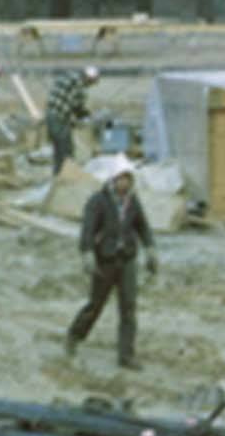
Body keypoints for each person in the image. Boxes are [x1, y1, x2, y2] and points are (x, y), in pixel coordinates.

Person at [65, 158, 160, 369]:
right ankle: (74, 336)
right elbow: (88, 229)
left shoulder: (132, 202)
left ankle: (126, 356)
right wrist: (87, 253)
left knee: (128, 308)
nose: (124, 184)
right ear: (112, 180)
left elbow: (142, 227)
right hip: (105, 260)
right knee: (95, 305)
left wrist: (150, 249)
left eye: (128, 179)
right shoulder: (98, 201)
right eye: (121, 179)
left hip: (126, 259)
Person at [45, 64, 99, 175]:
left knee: (58, 150)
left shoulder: (68, 76)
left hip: (50, 115)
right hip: (59, 119)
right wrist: (86, 115)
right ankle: (65, 175)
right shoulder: (80, 86)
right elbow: (77, 107)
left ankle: (57, 174)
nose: (90, 85)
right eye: (91, 83)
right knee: (66, 150)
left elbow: (66, 99)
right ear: (89, 79)